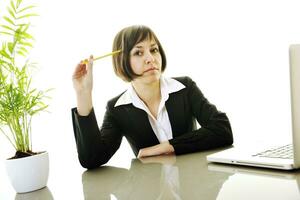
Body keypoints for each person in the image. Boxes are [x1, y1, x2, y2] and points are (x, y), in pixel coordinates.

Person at [71, 25, 233, 169]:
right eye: (138, 52)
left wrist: (167, 147)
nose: (150, 59)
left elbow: (222, 129)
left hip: (193, 186)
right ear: (121, 61)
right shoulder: (117, 108)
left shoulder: (185, 87)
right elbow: (92, 159)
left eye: (154, 49)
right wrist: (83, 94)